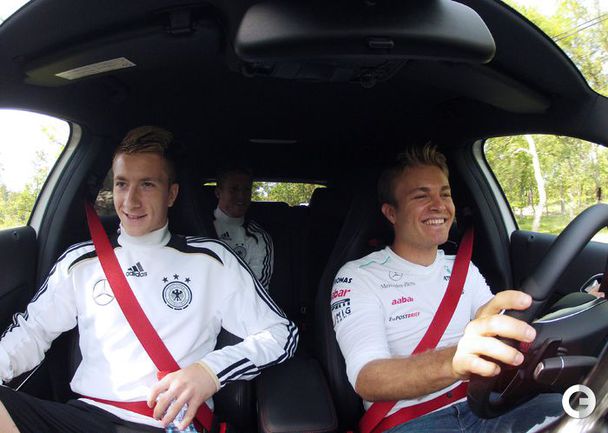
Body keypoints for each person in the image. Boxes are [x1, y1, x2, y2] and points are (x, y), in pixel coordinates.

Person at [0, 126, 298, 433]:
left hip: (166, 423)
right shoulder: (80, 262)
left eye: (147, 185)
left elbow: (281, 334)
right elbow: (33, 332)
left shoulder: (212, 260)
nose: (130, 201)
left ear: (171, 194)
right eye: (121, 184)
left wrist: (210, 372)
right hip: (83, 418)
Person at [332, 143, 563, 433]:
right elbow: (367, 378)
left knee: (575, 410)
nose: (439, 205)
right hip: (413, 421)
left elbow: (493, 324)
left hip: (484, 403)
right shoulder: (358, 276)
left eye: (445, 194)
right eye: (421, 196)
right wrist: (451, 363)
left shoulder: (463, 268)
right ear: (391, 213)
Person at [213, 165, 274, 289]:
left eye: (246, 190)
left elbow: (257, 288)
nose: (241, 196)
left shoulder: (258, 237)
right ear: (218, 192)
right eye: (234, 189)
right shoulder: (198, 226)